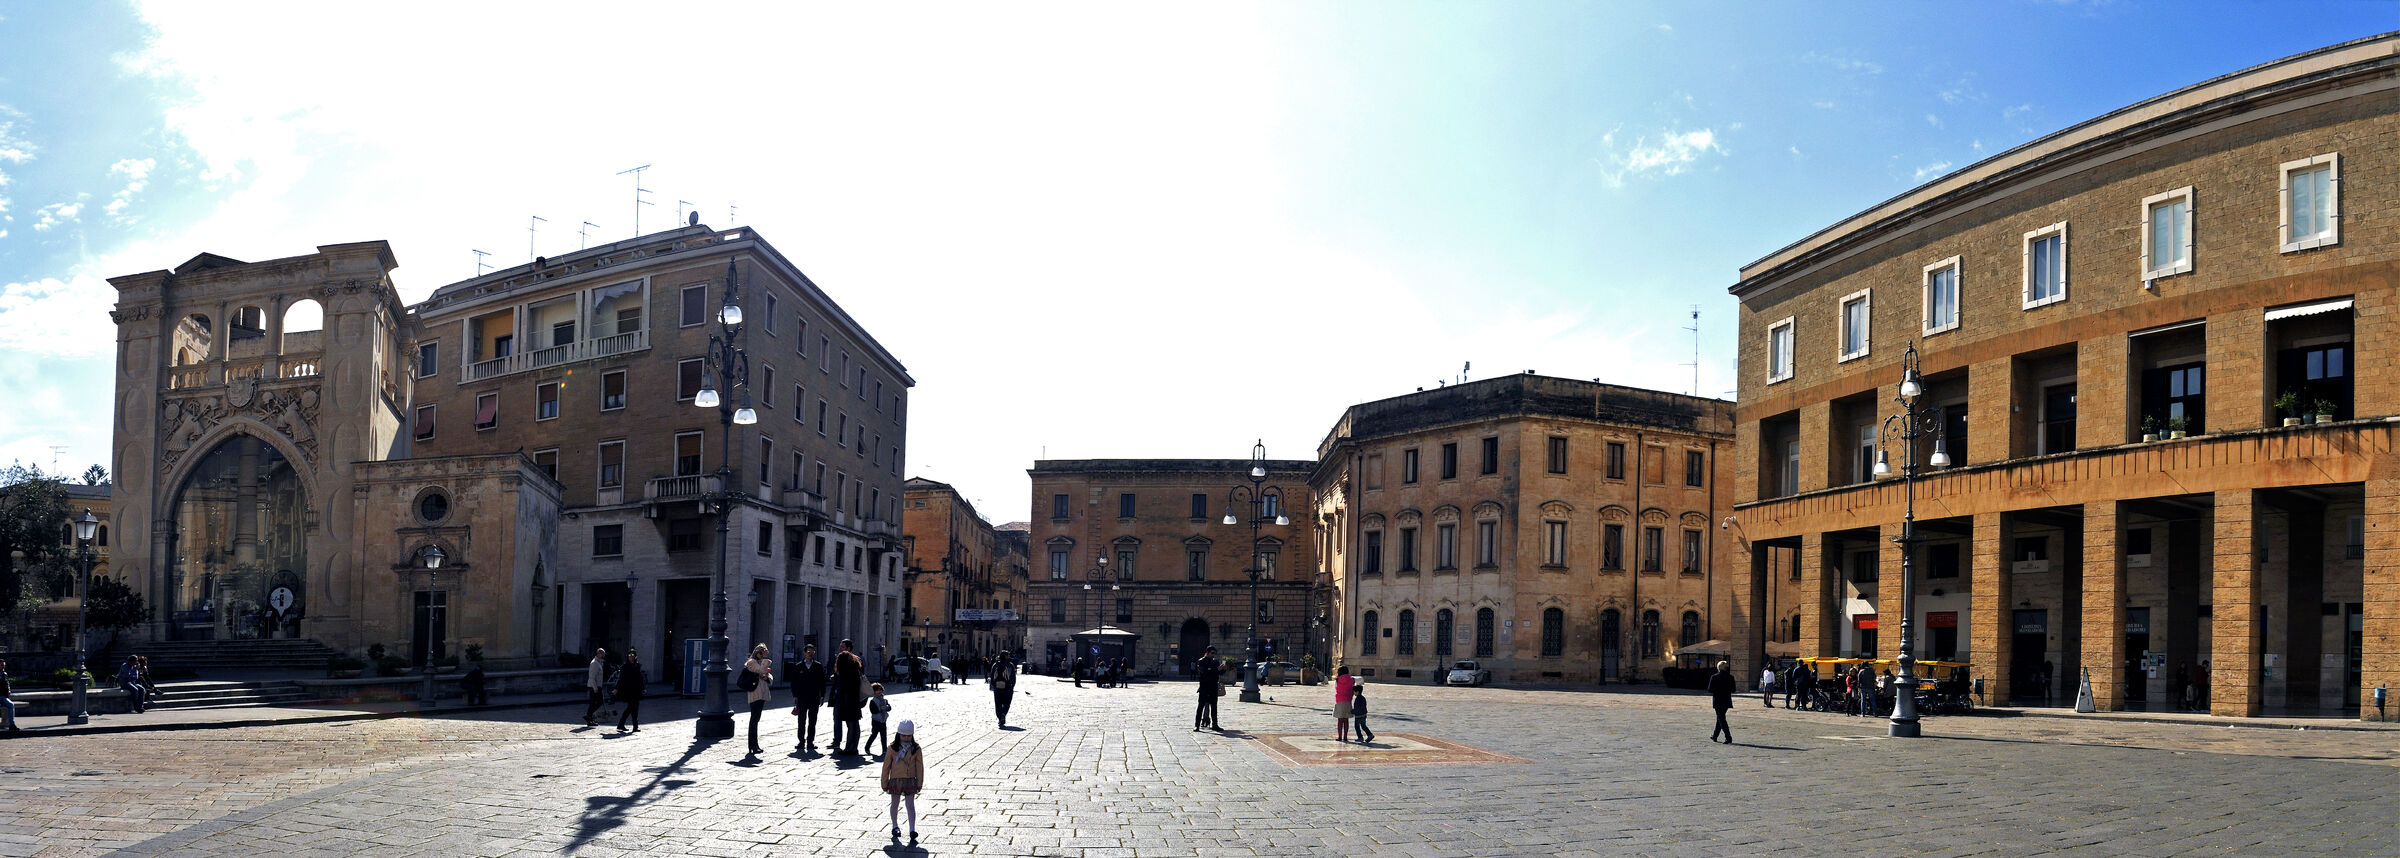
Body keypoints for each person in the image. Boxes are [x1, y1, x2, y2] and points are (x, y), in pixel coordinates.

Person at [882, 720, 925, 846]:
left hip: (910, 780)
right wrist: (884, 782)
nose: (906, 738)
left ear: (912, 736)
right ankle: (895, 826)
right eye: (903, 735)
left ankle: (912, 829)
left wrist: (920, 782)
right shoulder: (892, 748)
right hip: (896, 779)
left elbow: (920, 766)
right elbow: (886, 767)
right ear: (898, 734)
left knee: (910, 805)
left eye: (908, 736)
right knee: (894, 803)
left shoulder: (916, 748)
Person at [789, 644, 828, 751]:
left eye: (812, 652)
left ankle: (810, 742)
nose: (810, 654)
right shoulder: (798, 666)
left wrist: (822, 695)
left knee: (812, 721)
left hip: (814, 697)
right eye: (808, 652)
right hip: (801, 698)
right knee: (801, 720)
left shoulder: (818, 666)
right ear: (805, 653)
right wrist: (795, 695)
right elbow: (794, 683)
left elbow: (822, 682)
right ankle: (801, 741)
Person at [831, 639, 865, 754]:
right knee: (855, 723)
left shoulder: (844, 669)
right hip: (855, 699)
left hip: (847, 700)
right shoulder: (855, 664)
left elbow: (843, 686)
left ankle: (849, 748)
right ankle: (854, 747)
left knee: (850, 724)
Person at [613, 650, 645, 732]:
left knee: (635, 708)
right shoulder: (625, 666)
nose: (631, 657)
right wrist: (616, 688)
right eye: (630, 656)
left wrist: (643, 688)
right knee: (630, 708)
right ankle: (624, 724)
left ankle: (634, 726)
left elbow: (640, 678)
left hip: (636, 690)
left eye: (633, 656)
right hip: (629, 690)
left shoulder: (637, 665)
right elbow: (621, 679)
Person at [1194, 646, 1224, 731]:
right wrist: (1216, 670)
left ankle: (1215, 725)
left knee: (1214, 707)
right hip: (1204, 687)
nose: (1213, 655)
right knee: (1201, 706)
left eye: (1214, 653)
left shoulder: (1215, 662)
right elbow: (1204, 672)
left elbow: (1219, 673)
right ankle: (1197, 725)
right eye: (1212, 653)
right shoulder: (1201, 661)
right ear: (1207, 653)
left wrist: (1223, 669)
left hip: (1213, 687)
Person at [1707, 661, 1737, 744]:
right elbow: (1733, 690)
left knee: (1721, 719)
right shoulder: (1731, 677)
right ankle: (1715, 736)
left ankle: (1728, 737)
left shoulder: (1714, 677)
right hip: (1726, 700)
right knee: (1720, 718)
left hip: (1718, 700)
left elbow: (1710, 689)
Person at [988, 651, 1018, 728]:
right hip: (1008, 687)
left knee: (998, 703)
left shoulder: (995, 665)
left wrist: (994, 685)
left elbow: (991, 676)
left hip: (997, 687)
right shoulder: (1010, 665)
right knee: (1007, 702)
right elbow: (1013, 677)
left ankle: (999, 717)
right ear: (1006, 656)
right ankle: (1003, 714)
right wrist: (1012, 686)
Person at [582, 647, 609, 727]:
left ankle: (589, 718)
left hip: (597, 686)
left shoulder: (599, 662)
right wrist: (595, 688)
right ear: (599, 654)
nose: (604, 655)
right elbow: (592, 677)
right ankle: (589, 716)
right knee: (598, 702)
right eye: (603, 653)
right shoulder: (595, 663)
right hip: (595, 687)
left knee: (593, 703)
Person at [865, 682, 892, 754]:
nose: (879, 691)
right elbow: (873, 711)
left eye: (880, 690)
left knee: (884, 736)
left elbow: (889, 707)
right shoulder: (873, 701)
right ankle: (867, 747)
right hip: (876, 721)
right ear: (874, 692)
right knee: (874, 734)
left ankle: (884, 749)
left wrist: (886, 707)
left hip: (883, 720)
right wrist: (881, 709)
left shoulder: (885, 700)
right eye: (877, 690)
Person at [1332, 665, 1356, 742]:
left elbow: (1336, 688)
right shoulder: (1352, 679)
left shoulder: (1337, 680)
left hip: (1339, 701)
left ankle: (1339, 736)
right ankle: (1345, 736)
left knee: (1340, 720)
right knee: (1346, 720)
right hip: (1348, 701)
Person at [1348, 679, 1374, 744]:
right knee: (1363, 726)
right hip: (1364, 715)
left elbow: (1357, 708)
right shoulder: (1363, 698)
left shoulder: (1357, 699)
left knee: (1357, 726)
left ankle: (1360, 737)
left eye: (1354, 692)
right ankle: (1370, 735)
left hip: (1358, 715)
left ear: (1357, 692)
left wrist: (1351, 712)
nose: (1353, 693)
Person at [0, 659, 18, 732]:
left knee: (11, 704)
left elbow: (7, 683)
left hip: (2, 697)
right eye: (1, 665)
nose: (3, 667)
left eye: (4, 665)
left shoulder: (4, 674)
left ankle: (11, 724)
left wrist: (8, 690)